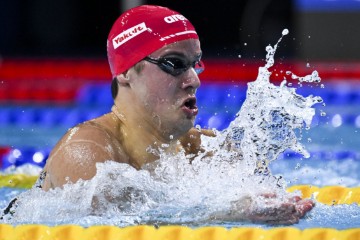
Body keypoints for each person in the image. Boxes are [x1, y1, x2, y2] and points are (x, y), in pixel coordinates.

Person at [38, 5, 313, 224]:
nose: (194, 79)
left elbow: (258, 192)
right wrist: (227, 213)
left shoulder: (204, 149)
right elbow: (105, 226)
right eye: (174, 64)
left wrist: (266, 204)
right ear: (125, 72)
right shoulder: (85, 151)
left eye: (195, 64)